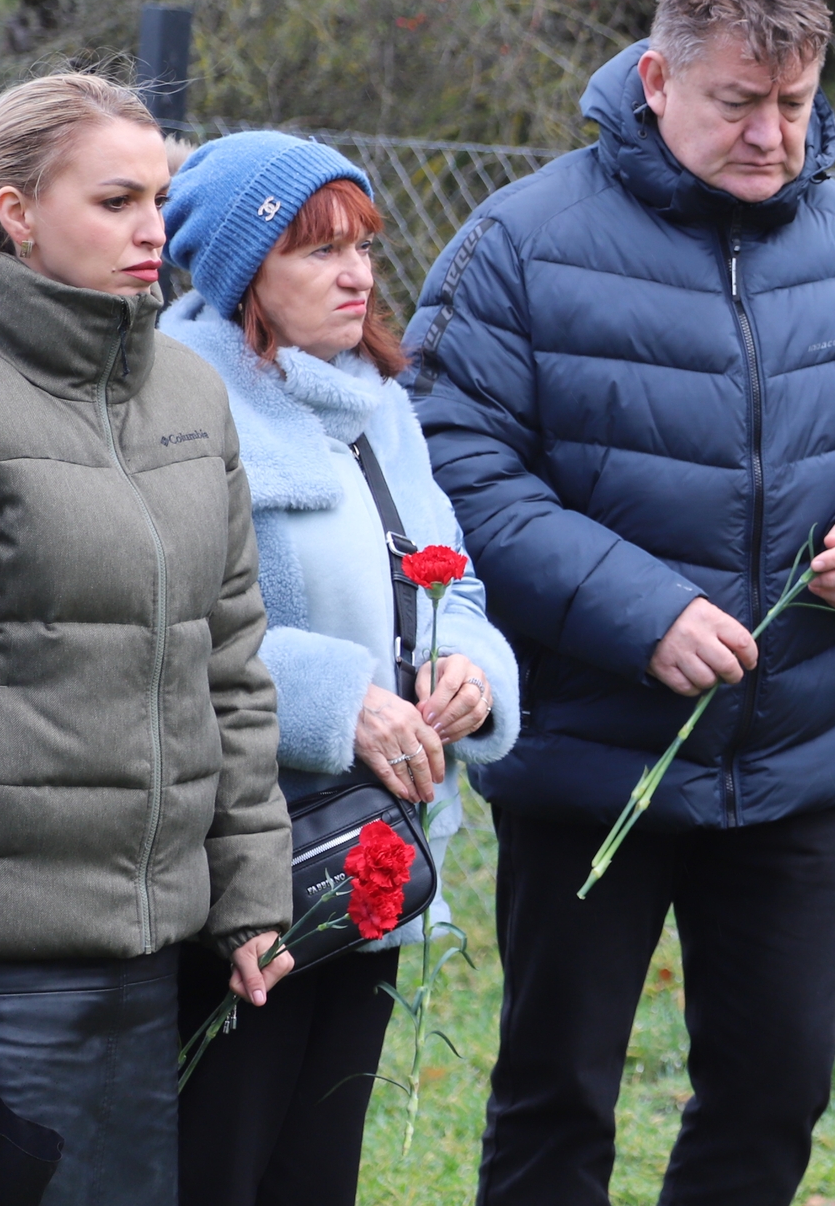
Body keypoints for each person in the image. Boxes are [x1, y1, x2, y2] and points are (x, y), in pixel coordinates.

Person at [407, 0, 835, 1206]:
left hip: (791, 761)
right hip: (592, 754)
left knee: (775, 1094)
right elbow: (456, 462)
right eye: (737, 101)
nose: (771, 134)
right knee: (557, 1098)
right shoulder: (522, 242)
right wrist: (642, 609)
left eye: (795, 101)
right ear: (658, 78)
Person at [0, 73, 291, 1206]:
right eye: (116, 200)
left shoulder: (191, 396)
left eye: (159, 197)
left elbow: (230, 662)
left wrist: (250, 891)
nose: (153, 228)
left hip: (148, 968)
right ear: (15, 212)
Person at [159, 132, 522, 1206]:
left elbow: (452, 577)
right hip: (245, 857)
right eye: (317, 251)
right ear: (242, 273)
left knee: (318, 1166)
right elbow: (166, 624)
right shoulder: (181, 403)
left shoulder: (376, 402)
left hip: (370, 845)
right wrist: (338, 700)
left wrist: (467, 668)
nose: (356, 273)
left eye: (363, 245)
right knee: (218, 1159)